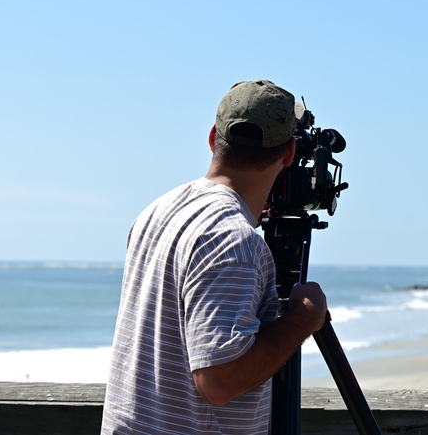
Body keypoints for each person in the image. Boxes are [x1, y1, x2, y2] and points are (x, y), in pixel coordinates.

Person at [101, 80, 329, 435]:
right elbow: (218, 381)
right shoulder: (234, 240)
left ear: (213, 137)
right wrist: (303, 319)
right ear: (288, 154)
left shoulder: (157, 210)